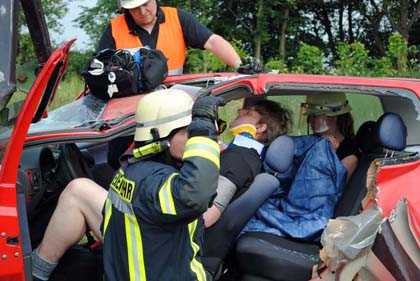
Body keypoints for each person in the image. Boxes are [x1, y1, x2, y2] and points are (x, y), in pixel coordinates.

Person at [32, 88, 224, 281]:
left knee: (79, 188)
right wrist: (203, 129)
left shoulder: (135, 170)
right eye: (190, 133)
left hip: (145, 260)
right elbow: (195, 195)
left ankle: (35, 270)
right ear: (162, 137)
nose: (199, 141)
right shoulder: (154, 181)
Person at [242, 93, 361, 241]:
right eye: (310, 116)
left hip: (310, 215)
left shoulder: (348, 153)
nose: (310, 120)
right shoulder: (310, 143)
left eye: (315, 116)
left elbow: (332, 193)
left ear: (332, 117)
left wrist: (329, 155)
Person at [203, 98, 292, 228]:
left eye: (249, 113)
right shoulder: (248, 156)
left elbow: (207, 217)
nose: (240, 111)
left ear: (260, 127)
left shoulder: (238, 158)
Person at [98, 0, 242, 75]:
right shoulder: (114, 28)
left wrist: (240, 66)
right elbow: (100, 66)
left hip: (174, 97)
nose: (142, 11)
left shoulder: (178, 18)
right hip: (131, 103)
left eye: (145, 4)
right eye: (135, 8)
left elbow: (213, 42)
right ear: (126, 9)